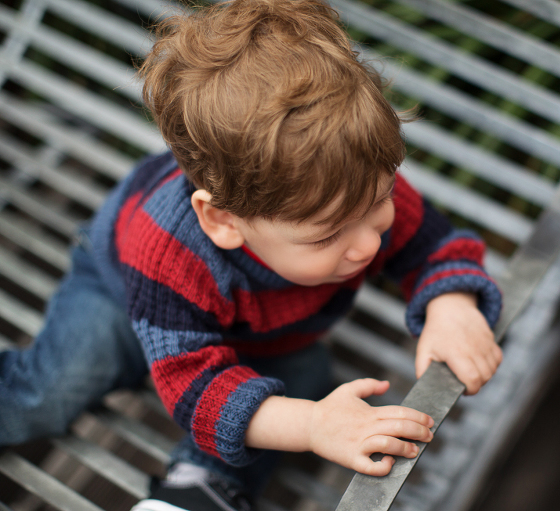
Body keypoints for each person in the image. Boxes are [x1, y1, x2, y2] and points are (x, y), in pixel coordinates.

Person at [0, 0, 503, 509]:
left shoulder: (347, 183)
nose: (369, 244)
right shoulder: (170, 252)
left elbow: (433, 245)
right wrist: (311, 425)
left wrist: (452, 305)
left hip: (260, 332)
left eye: (380, 202)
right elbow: (192, 382)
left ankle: (201, 485)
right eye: (326, 237)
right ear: (223, 221)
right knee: (53, 390)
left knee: (307, 379)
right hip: (119, 297)